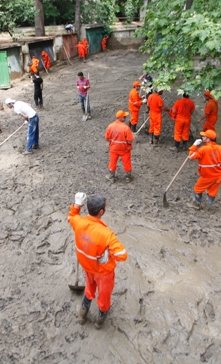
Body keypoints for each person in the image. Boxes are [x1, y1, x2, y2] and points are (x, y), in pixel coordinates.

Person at [68, 193, 128, 329]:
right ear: (101, 212)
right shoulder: (107, 234)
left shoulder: (78, 222)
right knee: (104, 296)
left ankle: (82, 314)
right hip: (103, 272)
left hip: (88, 267)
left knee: (89, 289)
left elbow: (70, 217)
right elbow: (122, 255)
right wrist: (108, 254)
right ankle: (99, 321)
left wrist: (77, 204)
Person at [188, 130, 221, 211]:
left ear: (208, 139)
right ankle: (208, 207)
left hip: (207, 175)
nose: (202, 137)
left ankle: (196, 204)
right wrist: (219, 172)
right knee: (212, 192)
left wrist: (194, 145)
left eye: (204, 136)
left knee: (198, 188)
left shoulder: (203, 149)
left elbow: (191, 156)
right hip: (218, 175)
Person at [105, 110, 134, 183]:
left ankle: (111, 176)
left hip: (114, 148)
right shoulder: (126, 128)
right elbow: (130, 140)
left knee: (112, 162)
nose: (125, 118)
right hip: (124, 149)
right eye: (124, 117)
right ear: (121, 118)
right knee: (127, 162)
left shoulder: (110, 126)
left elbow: (107, 138)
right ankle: (128, 177)